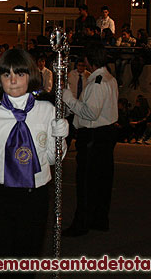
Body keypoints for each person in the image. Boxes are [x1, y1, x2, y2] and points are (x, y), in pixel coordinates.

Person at [0, 49, 68, 272]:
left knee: (27, 262)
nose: (13, 80)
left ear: (30, 76)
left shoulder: (47, 111)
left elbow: (52, 158)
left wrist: (61, 138)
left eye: (19, 74)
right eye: (6, 74)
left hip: (36, 196)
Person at [62, 42, 118, 237]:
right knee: (102, 180)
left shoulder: (97, 82)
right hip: (106, 134)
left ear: (89, 60)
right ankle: (99, 218)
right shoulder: (108, 78)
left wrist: (68, 98)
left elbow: (89, 113)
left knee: (86, 181)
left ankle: (82, 223)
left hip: (94, 136)